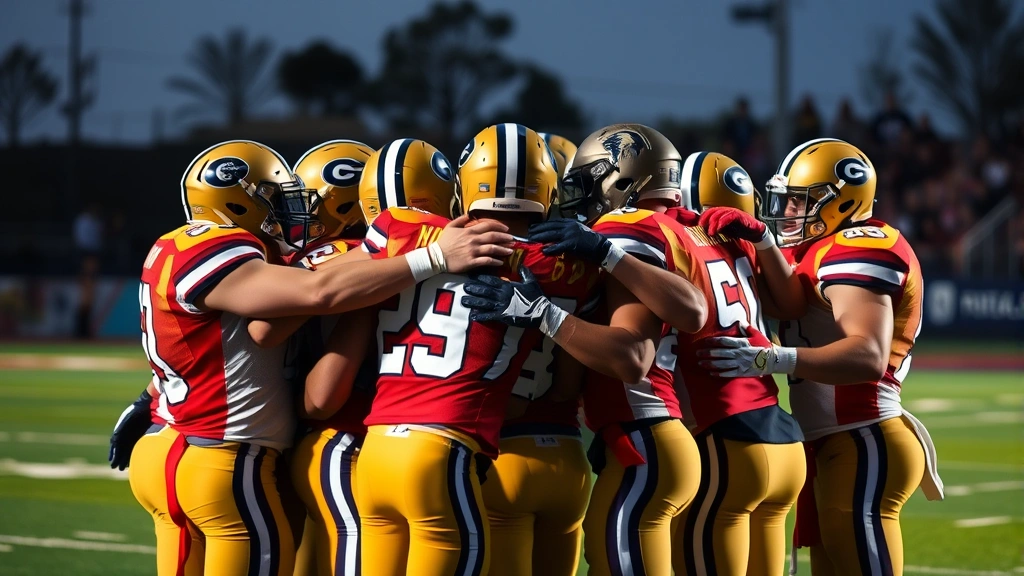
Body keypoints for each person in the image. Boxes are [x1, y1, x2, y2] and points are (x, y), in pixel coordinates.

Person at [123, 139, 513, 576]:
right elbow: (289, 316)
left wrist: (148, 395)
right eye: (281, 200)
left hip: (183, 438)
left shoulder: (252, 253)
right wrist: (429, 257)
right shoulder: (239, 248)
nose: (296, 213)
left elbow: (203, 342)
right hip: (249, 449)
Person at [325, 127, 598, 576]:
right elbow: (565, 385)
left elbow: (323, 283)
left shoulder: (401, 228)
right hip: (450, 449)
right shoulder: (565, 262)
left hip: (377, 450)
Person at [466, 123, 708, 576]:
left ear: (622, 179)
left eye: (588, 181)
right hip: (642, 435)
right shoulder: (672, 228)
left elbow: (643, 352)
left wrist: (549, 306)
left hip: (641, 436)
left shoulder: (623, 227)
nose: (578, 196)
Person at [702, 138, 943, 576]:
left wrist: (771, 359)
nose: (789, 211)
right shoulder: (814, 250)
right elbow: (790, 303)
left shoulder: (859, 245)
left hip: (865, 437)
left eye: (800, 201)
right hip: (836, 443)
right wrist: (762, 242)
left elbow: (867, 354)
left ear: (841, 202)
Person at [667, 151, 807, 576]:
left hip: (727, 440)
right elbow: (792, 304)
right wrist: (762, 239)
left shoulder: (671, 237)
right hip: (784, 440)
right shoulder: (746, 245)